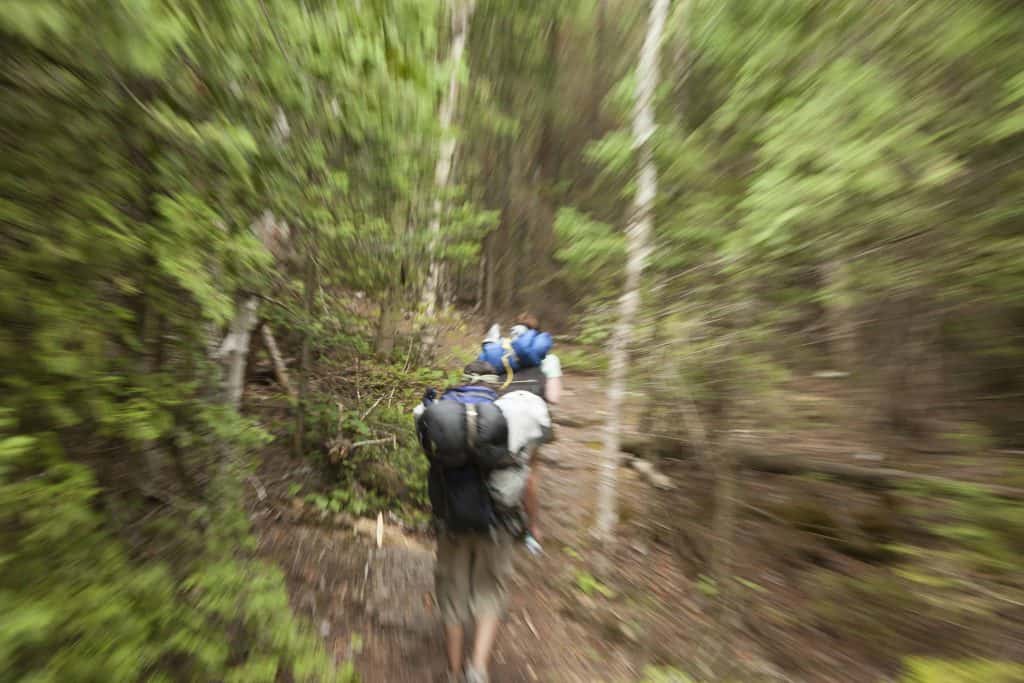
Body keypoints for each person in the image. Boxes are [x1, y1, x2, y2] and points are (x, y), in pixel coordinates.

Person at [416, 361, 550, 683]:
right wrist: (532, 525)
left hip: (452, 524)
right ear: (497, 385)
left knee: (452, 592)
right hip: (499, 524)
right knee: (489, 590)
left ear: (464, 381)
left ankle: (452, 670)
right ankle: (477, 669)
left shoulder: (443, 418)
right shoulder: (511, 417)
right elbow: (528, 482)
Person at [509, 313, 561, 543]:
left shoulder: (505, 353)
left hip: (500, 414)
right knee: (530, 471)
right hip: (531, 420)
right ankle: (532, 530)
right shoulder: (549, 359)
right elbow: (554, 396)